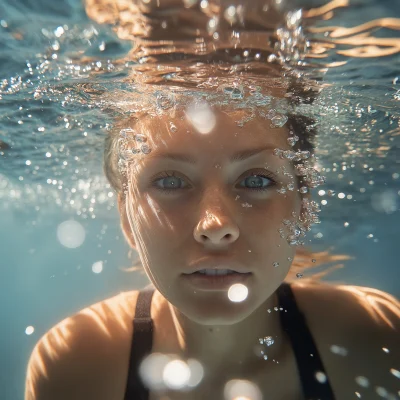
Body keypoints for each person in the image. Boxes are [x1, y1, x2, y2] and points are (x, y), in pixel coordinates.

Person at [25, 1, 399, 400]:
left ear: (303, 208)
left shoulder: (376, 339)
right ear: (126, 216)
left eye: (256, 179)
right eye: (170, 181)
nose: (215, 225)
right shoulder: (75, 365)